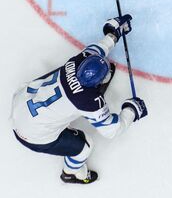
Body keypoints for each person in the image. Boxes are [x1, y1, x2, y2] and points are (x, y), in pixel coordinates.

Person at [10, 14, 147, 184]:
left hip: (19, 107)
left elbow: (96, 50)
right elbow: (112, 130)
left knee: (51, 81)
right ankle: (72, 173)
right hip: (34, 136)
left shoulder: (76, 62)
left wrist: (113, 34)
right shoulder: (88, 101)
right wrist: (131, 110)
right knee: (85, 146)